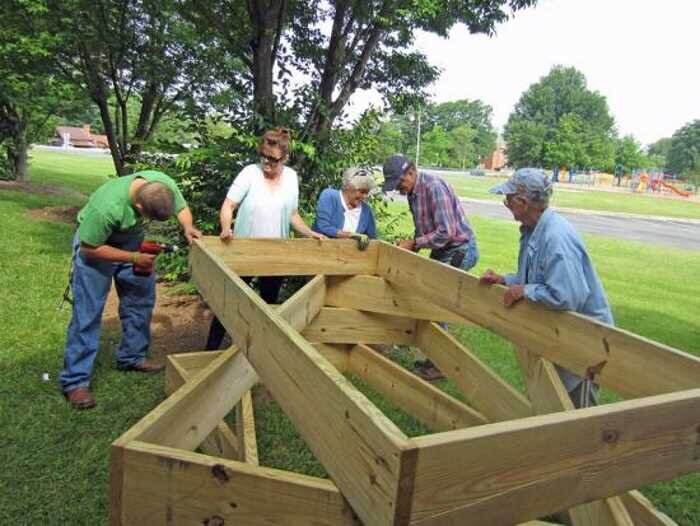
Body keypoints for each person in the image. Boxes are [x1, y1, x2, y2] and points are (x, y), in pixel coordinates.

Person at [60, 170, 201, 409]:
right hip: (97, 248)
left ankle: (131, 358)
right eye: (147, 215)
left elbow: (182, 207)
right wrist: (134, 257)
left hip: (131, 243)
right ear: (137, 204)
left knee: (140, 300)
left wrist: (187, 226)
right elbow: (89, 249)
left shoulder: (162, 185)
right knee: (88, 313)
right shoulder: (106, 208)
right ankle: (75, 382)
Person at [479, 167, 613, 408]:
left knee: (577, 419)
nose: (506, 204)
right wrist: (505, 280)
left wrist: (524, 291)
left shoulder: (556, 238)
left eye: (508, 200)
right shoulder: (534, 231)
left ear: (523, 202)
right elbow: (538, 278)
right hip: (558, 337)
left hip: (582, 344)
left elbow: (566, 296)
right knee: (552, 406)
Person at [205, 127, 325, 351]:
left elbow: (293, 214)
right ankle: (209, 352)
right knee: (228, 303)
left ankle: (260, 354)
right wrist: (225, 228)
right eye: (263, 157)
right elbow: (228, 205)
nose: (267, 163)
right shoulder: (250, 173)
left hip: (276, 253)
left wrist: (310, 233)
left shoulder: (291, 177)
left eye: (273, 159)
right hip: (244, 250)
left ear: (285, 157)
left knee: (269, 305)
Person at [382, 154, 479, 380]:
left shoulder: (434, 187)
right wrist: (410, 248)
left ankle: (440, 365)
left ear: (411, 172)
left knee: (437, 303)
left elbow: (447, 232)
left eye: (400, 183)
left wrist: (415, 244)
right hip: (442, 249)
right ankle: (433, 356)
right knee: (426, 297)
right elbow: (423, 229)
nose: (398, 188)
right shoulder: (413, 193)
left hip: (460, 249)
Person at [312, 167, 377, 240]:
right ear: (348, 186)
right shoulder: (330, 196)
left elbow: (372, 239)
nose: (364, 196)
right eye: (361, 192)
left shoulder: (366, 211)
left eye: (367, 193)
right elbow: (323, 226)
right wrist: (350, 235)